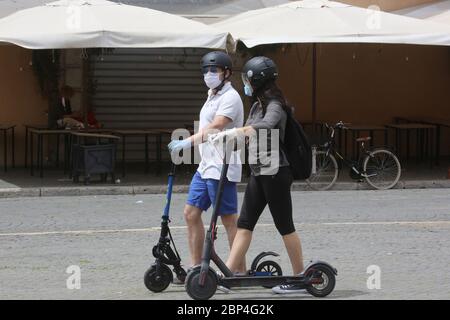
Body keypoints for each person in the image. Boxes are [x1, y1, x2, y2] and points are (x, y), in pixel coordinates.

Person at [210, 56, 306, 294]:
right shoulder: (256, 105)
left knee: (285, 226)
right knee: (244, 224)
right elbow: (250, 135)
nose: (245, 83)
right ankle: (228, 278)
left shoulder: (275, 105)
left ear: (258, 80)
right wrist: (227, 140)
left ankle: (300, 278)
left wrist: (238, 130)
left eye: (247, 79)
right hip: (258, 172)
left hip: (275, 172)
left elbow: (266, 126)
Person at [167, 51, 246, 277]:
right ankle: (196, 268)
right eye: (206, 71)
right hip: (206, 166)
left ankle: (239, 270)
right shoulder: (212, 94)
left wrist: (187, 142)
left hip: (222, 166)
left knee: (228, 219)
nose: (209, 74)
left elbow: (216, 126)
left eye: (214, 70)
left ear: (226, 73)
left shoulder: (230, 97)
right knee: (191, 213)